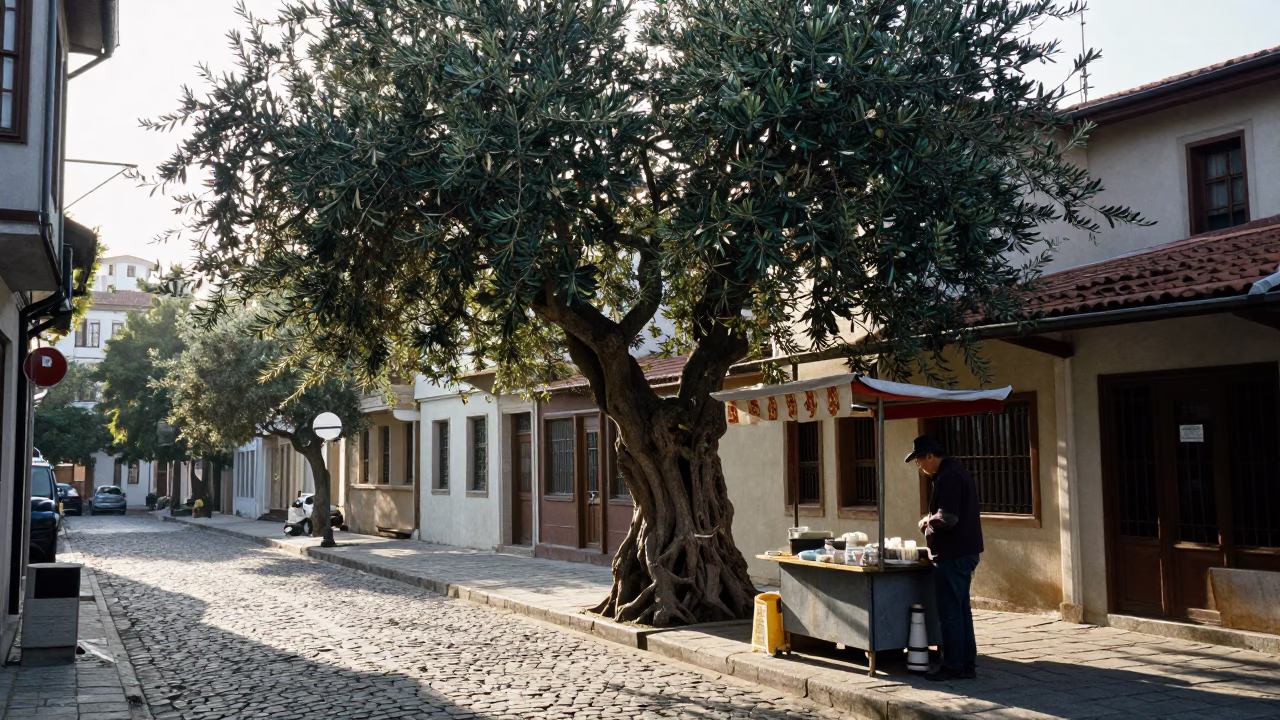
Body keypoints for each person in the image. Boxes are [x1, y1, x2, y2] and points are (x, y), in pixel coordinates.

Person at [907, 434, 983, 681]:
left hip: (953, 553)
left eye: (919, 461)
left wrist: (927, 521)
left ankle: (953, 665)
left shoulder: (949, 476)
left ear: (930, 456)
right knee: (962, 610)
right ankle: (967, 664)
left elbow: (948, 517)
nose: (920, 467)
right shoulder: (954, 472)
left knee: (951, 612)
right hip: (964, 551)